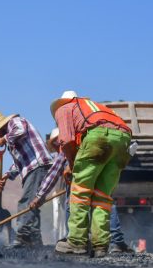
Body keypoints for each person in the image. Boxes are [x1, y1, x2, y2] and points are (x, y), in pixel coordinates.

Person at [49, 91, 132, 258]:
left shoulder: (64, 108)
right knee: (102, 196)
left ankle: (77, 242)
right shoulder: (94, 108)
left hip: (99, 135)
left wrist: (73, 166)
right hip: (124, 138)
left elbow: (65, 141)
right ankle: (100, 245)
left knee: (80, 191)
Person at [30, 128, 132, 254]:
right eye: (55, 144)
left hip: (87, 173)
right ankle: (114, 242)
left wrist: (40, 196)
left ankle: (77, 240)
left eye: (56, 142)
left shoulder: (67, 145)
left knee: (73, 201)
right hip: (105, 158)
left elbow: (54, 173)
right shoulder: (84, 141)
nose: (57, 146)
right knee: (103, 199)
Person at [0, 111, 53, 247]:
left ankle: (23, 236)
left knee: (26, 203)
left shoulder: (15, 122)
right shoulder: (12, 141)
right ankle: (35, 241)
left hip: (38, 165)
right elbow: (20, 162)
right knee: (33, 204)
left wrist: (4, 139)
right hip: (32, 167)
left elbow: (20, 130)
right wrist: (7, 175)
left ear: (0, 128)